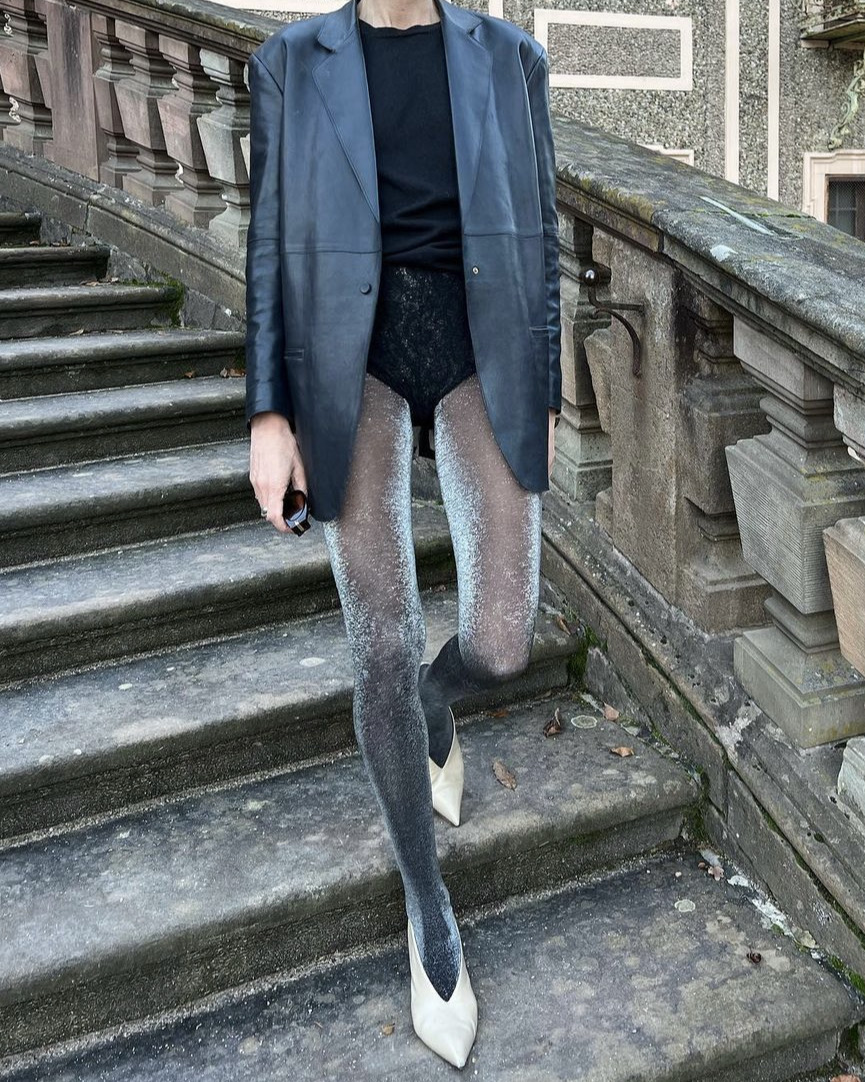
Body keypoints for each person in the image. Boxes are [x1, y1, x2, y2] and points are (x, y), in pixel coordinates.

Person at [244, 0, 560, 1068]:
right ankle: (429, 909)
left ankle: (437, 700)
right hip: (350, 362)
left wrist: (546, 388)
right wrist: (269, 415)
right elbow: (270, 245)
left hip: (479, 351)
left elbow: (539, 235)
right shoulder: (293, 63)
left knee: (504, 640)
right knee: (379, 642)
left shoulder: (511, 59)